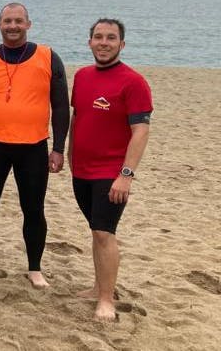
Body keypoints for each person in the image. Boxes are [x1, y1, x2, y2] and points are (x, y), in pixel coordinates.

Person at [0, 2, 69, 287]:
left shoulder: (48, 57)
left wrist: (59, 148)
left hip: (33, 146)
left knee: (33, 209)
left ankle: (34, 268)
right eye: (7, 21)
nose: (13, 26)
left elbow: (60, 106)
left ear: (28, 24)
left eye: (18, 21)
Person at [69, 18, 152, 321]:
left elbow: (141, 131)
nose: (104, 43)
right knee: (96, 230)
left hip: (111, 172)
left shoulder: (133, 82)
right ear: (90, 42)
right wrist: (70, 154)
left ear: (122, 44)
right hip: (82, 171)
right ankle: (98, 287)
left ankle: (106, 300)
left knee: (105, 232)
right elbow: (78, 118)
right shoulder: (82, 76)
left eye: (111, 38)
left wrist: (126, 175)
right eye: (99, 37)